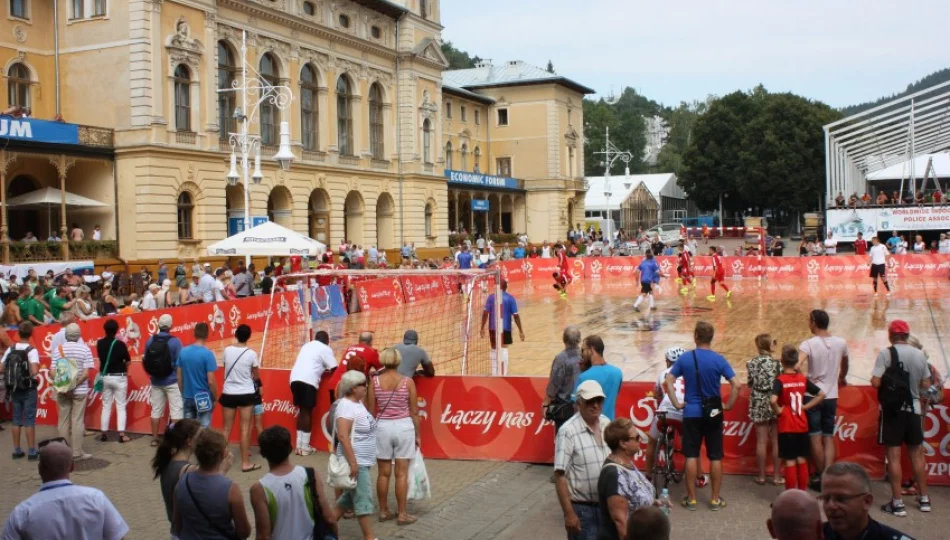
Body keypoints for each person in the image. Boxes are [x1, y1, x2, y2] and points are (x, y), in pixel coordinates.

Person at [664, 321, 740, 511]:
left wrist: (676, 403)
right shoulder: (719, 359)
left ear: (695, 336)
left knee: (691, 455)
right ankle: (715, 500)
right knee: (715, 456)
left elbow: (669, 380)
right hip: (714, 412)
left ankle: (691, 500)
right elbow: (737, 385)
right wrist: (728, 405)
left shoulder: (686, 359)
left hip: (691, 412)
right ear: (711, 337)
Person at [2, 440, 129, 539]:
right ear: (72, 467)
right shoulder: (96, 498)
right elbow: (118, 536)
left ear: (39, 469)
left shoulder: (22, 513)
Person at [870, 320, 932, 516]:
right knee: (917, 456)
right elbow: (925, 385)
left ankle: (897, 503)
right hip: (914, 410)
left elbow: (875, 382)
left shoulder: (885, 354)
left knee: (894, 457)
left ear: (891, 335)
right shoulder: (920, 355)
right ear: (907, 334)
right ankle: (924, 499)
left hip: (893, 412)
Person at [250, 426, 338, 540]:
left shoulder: (259, 489)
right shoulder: (311, 474)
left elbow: (263, 536)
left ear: (262, 453)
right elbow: (329, 518)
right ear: (290, 448)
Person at [368, 348, 421, 525]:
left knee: (383, 473)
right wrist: (418, 435)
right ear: (398, 362)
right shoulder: (408, 382)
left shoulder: (374, 382)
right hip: (404, 427)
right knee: (402, 473)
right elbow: (414, 412)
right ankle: (402, 514)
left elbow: (370, 411)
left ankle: (383, 511)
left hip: (382, 426)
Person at [798, 309, 849, 490]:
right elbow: (845, 364)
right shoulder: (841, 342)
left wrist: (805, 380)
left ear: (814, 322)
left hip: (812, 396)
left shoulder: (808, 344)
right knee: (828, 437)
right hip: (832, 395)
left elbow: (797, 365)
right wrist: (842, 377)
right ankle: (829, 478)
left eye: (809, 320)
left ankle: (821, 478)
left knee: (814, 437)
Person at [554, 380, 610, 540]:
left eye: (598, 400)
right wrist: (569, 513)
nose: (595, 405)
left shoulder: (606, 423)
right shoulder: (567, 432)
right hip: (582, 510)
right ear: (579, 403)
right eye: (590, 401)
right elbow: (560, 476)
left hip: (607, 507)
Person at [173, 429, 252, 540]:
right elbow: (244, 532)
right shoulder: (231, 489)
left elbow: (178, 525)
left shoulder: (182, 483)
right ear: (224, 454)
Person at [772, 344, 826, 490]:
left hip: (786, 425)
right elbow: (821, 394)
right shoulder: (802, 379)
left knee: (789, 461)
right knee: (801, 459)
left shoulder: (780, 380)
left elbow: (772, 400)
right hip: (802, 423)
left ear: (782, 361)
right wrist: (805, 407)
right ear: (796, 361)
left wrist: (778, 411)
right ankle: (802, 493)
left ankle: (790, 495)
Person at [333, 370, 378, 540]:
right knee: (363, 500)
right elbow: (343, 437)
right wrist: (353, 463)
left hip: (361, 460)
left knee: (347, 500)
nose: (366, 387)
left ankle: (322, 528)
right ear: (353, 388)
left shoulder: (357, 403)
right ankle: (370, 537)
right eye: (362, 384)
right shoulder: (346, 406)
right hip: (356, 460)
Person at [821, 462, 914, 540]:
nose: (831, 506)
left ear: (867, 501)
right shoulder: (813, 535)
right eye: (826, 498)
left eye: (841, 499)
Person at [598, 418, 657, 540]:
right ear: (623, 443)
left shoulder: (627, 463)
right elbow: (621, 524)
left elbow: (634, 497)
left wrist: (655, 502)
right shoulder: (613, 475)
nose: (639, 441)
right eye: (636, 438)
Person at [219, 324, 262, 473]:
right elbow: (256, 375)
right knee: (245, 429)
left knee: (226, 428)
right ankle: (245, 463)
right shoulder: (251, 354)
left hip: (229, 392)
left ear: (236, 334)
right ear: (249, 337)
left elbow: (226, 366)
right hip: (246, 394)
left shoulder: (227, 350)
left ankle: (220, 460)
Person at [290, 330, 337, 455]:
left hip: (294, 379)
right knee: (307, 412)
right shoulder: (325, 348)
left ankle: (299, 446)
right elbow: (335, 369)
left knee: (302, 411)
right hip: (308, 381)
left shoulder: (307, 345)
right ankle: (305, 448)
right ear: (327, 341)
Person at [52, 323, 95, 460]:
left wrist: (64, 385)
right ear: (79, 335)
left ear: (66, 335)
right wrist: (74, 384)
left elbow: (52, 371)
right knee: (77, 421)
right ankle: (77, 452)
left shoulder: (58, 350)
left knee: (63, 421)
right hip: (80, 390)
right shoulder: (85, 349)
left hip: (63, 391)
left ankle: (63, 452)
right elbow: (87, 374)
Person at [152, 419, 201, 537]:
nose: (202, 440)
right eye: (200, 436)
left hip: (176, 530)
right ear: (189, 441)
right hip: (189, 532)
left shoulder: (167, 463)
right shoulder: (188, 470)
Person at [1, 321, 41, 460]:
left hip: (14, 388)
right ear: (31, 334)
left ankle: (16, 450)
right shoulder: (32, 350)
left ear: (18, 333)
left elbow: (1, 368)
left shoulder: (11, 349)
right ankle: (31, 451)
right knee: (29, 420)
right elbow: (35, 371)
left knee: (16, 418)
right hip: (28, 388)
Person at [747, 334, 783, 486]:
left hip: (757, 400)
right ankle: (776, 476)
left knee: (761, 442)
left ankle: (761, 476)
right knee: (776, 441)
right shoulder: (777, 364)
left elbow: (750, 383)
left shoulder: (751, 363)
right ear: (770, 346)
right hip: (774, 401)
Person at [146, 314, 184, 447]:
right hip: (172, 380)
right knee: (176, 411)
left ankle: (154, 438)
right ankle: (176, 441)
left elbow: (146, 360)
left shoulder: (150, 340)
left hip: (156, 381)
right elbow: (181, 362)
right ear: (171, 326)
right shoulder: (175, 341)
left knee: (155, 410)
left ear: (158, 325)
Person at [97, 318, 133, 443]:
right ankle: (122, 434)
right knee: (121, 405)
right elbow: (128, 361)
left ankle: (103, 433)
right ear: (116, 330)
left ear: (105, 330)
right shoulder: (120, 344)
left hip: (105, 376)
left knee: (106, 405)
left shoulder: (99, 344)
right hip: (119, 377)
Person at [177, 323, 219, 428]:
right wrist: (215, 398)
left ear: (194, 333)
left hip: (187, 396)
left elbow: (179, 377)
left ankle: (188, 444)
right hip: (203, 397)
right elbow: (211, 381)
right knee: (203, 430)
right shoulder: (208, 354)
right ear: (207, 335)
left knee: (187, 429)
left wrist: (183, 393)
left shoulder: (183, 352)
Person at [480, 279, 525, 375]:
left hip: (492, 327)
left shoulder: (491, 297)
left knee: (493, 348)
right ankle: (503, 374)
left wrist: (482, 327)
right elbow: (516, 316)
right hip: (506, 327)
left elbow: (485, 313)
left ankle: (494, 372)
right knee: (504, 348)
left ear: (498, 286)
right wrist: (521, 330)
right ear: (506, 287)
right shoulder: (510, 298)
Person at [542, 326, 583, 433]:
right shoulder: (585, 356)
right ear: (579, 339)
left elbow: (554, 383)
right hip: (583, 407)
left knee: (564, 441)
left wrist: (546, 403)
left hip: (565, 408)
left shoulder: (561, 359)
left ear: (564, 339)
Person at [574, 335, 623, 420]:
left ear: (591, 350)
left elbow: (576, 407)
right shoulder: (618, 373)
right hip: (610, 426)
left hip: (591, 426)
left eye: (583, 350)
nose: (581, 354)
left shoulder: (584, 377)